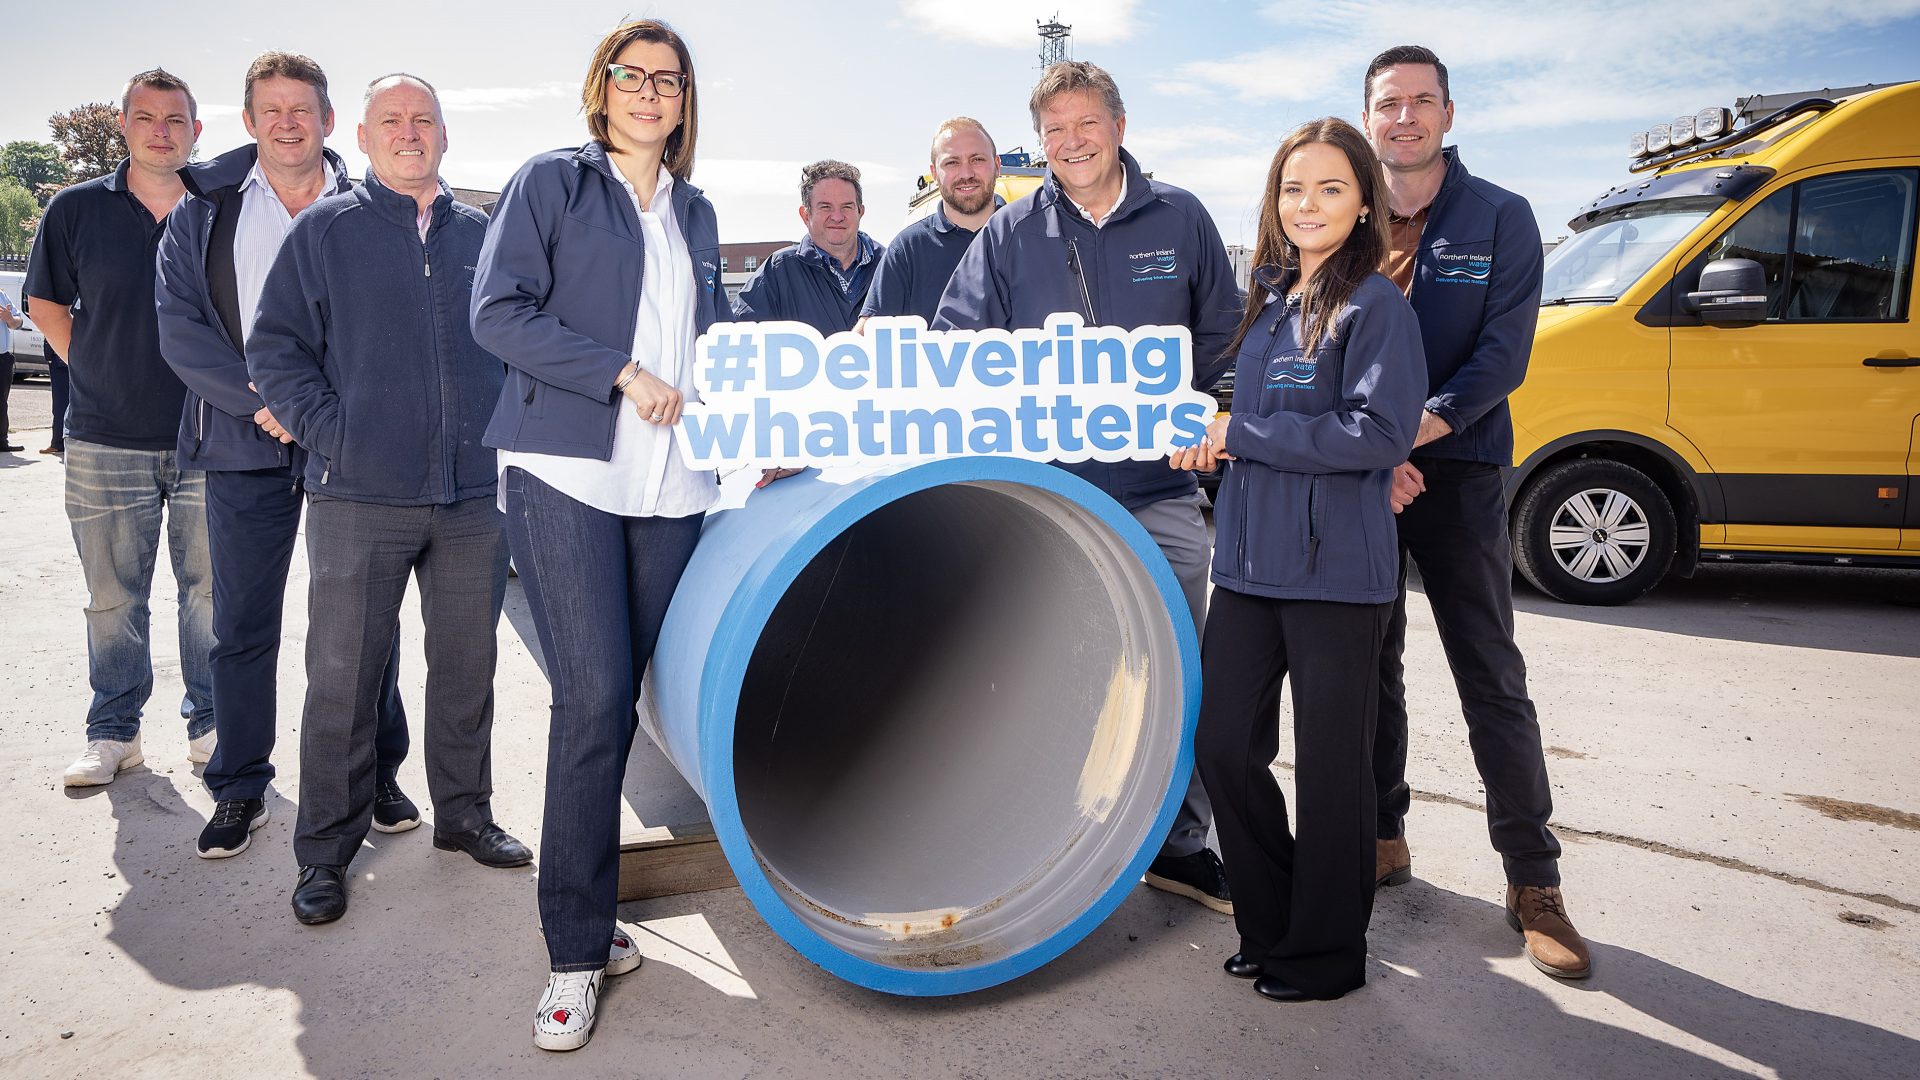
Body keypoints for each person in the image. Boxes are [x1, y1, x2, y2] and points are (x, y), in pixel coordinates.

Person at [471, 18, 728, 1051]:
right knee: (587, 703)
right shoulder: (554, 182)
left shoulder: (697, 209)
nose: (651, 93)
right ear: (603, 86)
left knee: (619, 700)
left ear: (683, 101)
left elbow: (710, 344)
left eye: (669, 81)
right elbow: (498, 313)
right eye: (634, 76)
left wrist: (759, 425)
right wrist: (620, 373)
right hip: (568, 470)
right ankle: (575, 952)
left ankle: (594, 905)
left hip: (673, 488)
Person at [935, 60, 1241, 914]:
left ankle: (1182, 845)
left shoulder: (1180, 217)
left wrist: (1213, 418)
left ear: (1119, 124)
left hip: (1162, 492)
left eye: (1086, 124)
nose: (1070, 143)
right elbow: (956, 345)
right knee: (1056, 673)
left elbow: (1225, 338)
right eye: (1054, 131)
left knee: (1179, 669)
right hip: (1053, 504)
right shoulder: (1009, 232)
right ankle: (1053, 841)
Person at [248, 73, 527, 927]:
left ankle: (466, 816)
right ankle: (324, 853)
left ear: (446, 135)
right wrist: (339, 436)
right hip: (358, 496)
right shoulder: (325, 231)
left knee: (467, 667)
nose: (410, 133)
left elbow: (526, 341)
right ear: (362, 139)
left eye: (424, 120)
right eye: (392, 122)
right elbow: (276, 349)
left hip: (473, 495)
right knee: (342, 677)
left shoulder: (489, 235)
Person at [1172, 117, 1424, 1003]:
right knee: (1224, 746)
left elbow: (1380, 432)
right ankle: (1270, 921)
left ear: (1363, 204)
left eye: (1329, 188)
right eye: (1292, 188)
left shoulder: (1376, 306)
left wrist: (1241, 433)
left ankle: (1323, 953)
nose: (1307, 204)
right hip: (1245, 563)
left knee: (1330, 773)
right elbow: (1248, 420)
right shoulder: (1272, 301)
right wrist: (1206, 439)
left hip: (1335, 574)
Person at [1359, 44, 1590, 979]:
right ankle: (1380, 837)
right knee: (1370, 662)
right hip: (1361, 478)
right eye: (1387, 104)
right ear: (1367, 115)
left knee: (1489, 671)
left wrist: (1419, 428)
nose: (1403, 118)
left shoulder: (1500, 216)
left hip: (1458, 473)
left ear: (1449, 114)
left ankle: (1533, 879)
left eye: (1421, 102)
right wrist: (1367, 450)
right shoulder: (1343, 207)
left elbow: (1504, 353)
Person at [155, 51, 417, 860]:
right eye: (270, 109)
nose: (286, 122)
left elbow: (400, 331)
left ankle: (374, 773)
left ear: (330, 121)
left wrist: (326, 412)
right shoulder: (201, 211)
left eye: (301, 108)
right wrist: (265, 402)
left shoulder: (375, 206)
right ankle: (239, 784)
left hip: (350, 443)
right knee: (241, 622)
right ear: (249, 121)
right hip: (243, 438)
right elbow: (181, 329)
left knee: (365, 622)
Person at [28, 69, 216, 787]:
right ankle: (114, 734)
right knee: (112, 598)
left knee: (208, 597)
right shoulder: (76, 209)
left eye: (175, 119)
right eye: (146, 117)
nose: (161, 130)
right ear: (124, 124)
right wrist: (98, 365)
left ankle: (209, 727)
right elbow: (45, 302)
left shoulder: (220, 206)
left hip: (209, 436)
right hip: (104, 438)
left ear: (196, 130)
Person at [856, 117, 1003, 327]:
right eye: (952, 162)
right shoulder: (907, 249)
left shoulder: (1029, 237)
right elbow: (867, 337)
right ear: (934, 174)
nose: (966, 173)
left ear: (997, 165)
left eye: (977, 159)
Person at [731, 159, 881, 333]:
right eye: (826, 207)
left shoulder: (891, 266)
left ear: (860, 212)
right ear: (805, 214)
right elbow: (739, 337)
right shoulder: (779, 271)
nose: (837, 216)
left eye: (847, 207)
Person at [0, 287, 21, 451]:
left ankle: (2, 441)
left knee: (1, 402)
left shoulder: (2, 295)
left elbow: (18, 322)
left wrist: (9, 318)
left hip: (3, 357)